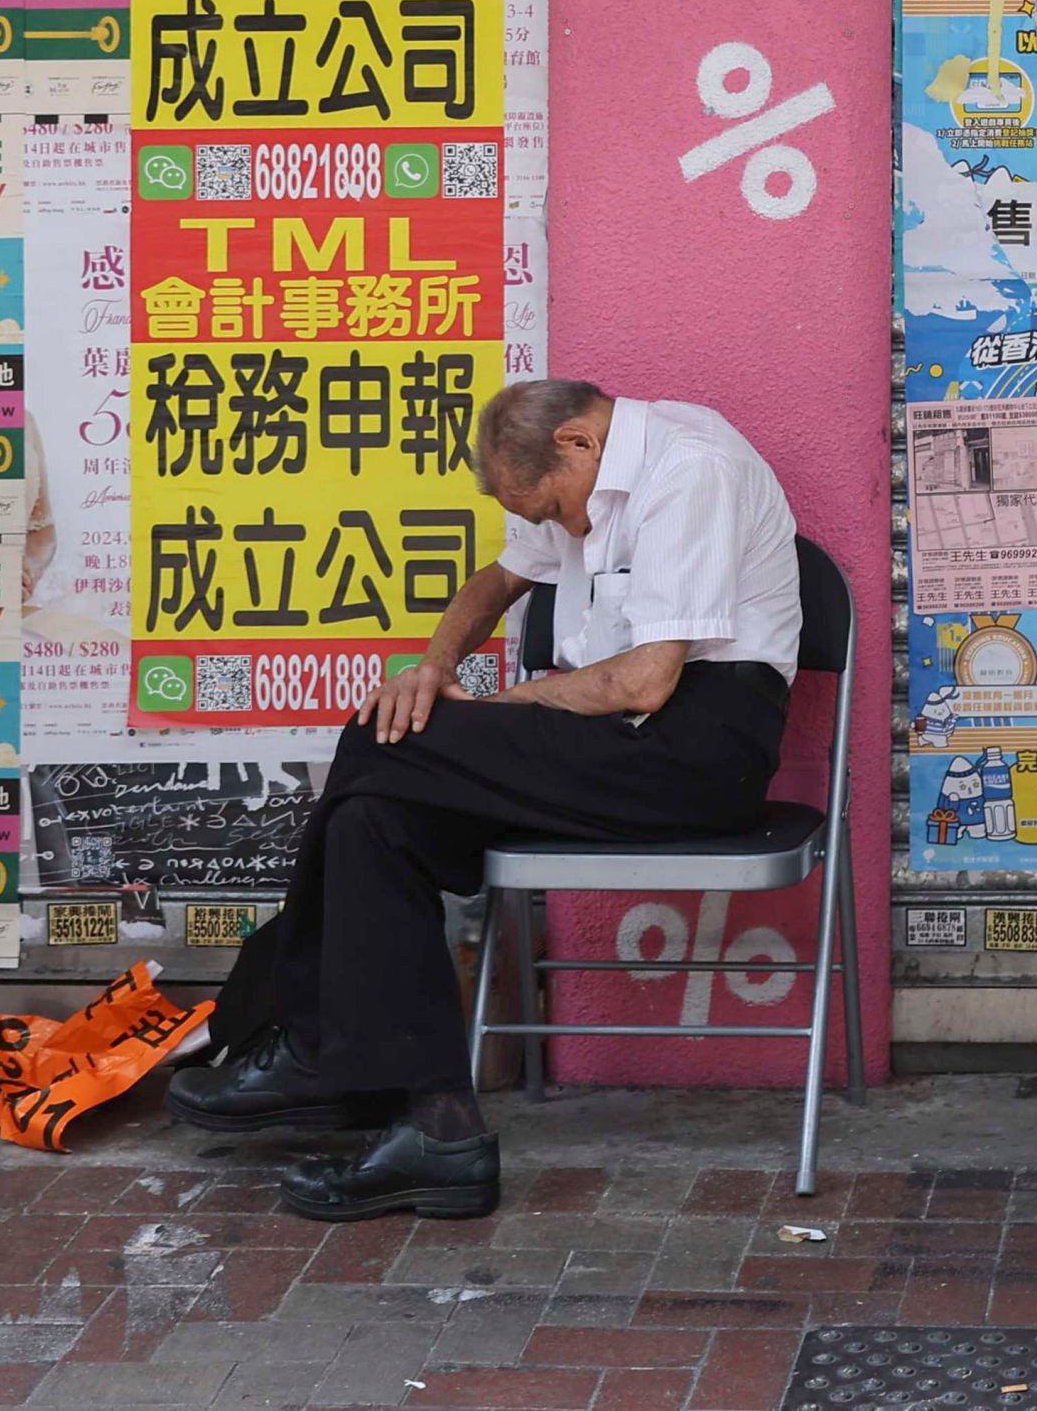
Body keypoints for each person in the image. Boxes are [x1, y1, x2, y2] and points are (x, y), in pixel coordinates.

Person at [165, 378, 805, 1222]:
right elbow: (500, 579)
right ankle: (437, 1130)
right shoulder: (579, 469)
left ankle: (303, 1036)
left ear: (576, 442)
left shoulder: (690, 469)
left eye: (546, 506)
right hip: (609, 741)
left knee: (381, 740)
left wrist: (482, 711)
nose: (549, 526)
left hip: (695, 752)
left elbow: (647, 683)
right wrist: (433, 667)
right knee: (372, 822)